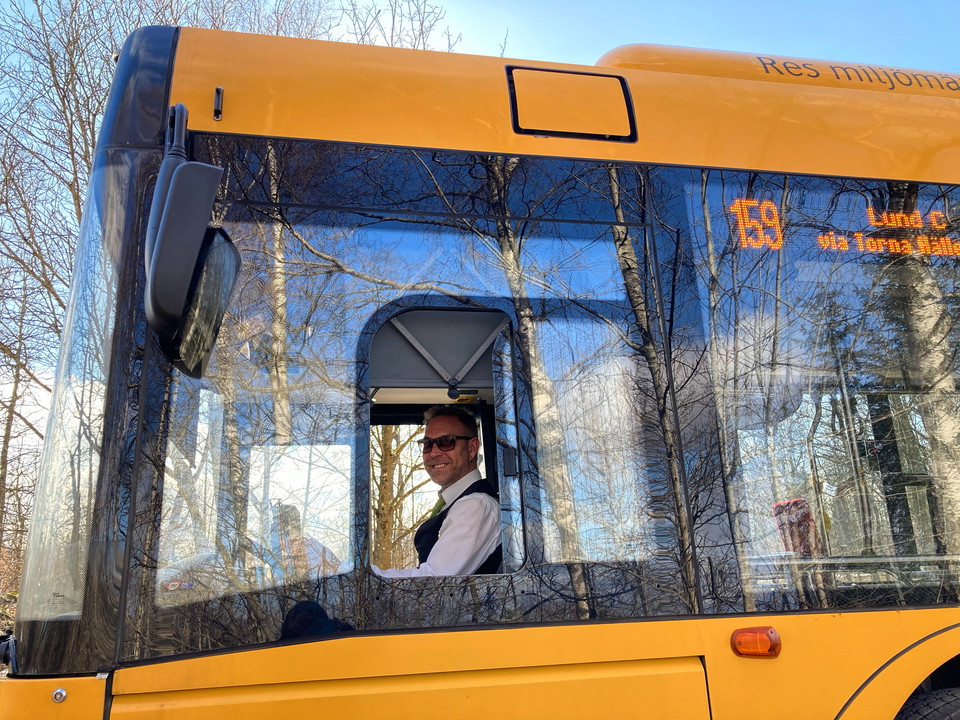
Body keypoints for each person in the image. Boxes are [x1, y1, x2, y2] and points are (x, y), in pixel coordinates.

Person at [375, 405, 502, 577]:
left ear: (472, 448)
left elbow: (434, 579)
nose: (433, 453)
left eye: (446, 441)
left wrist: (367, 577)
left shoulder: (476, 506)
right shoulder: (454, 504)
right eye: (427, 444)